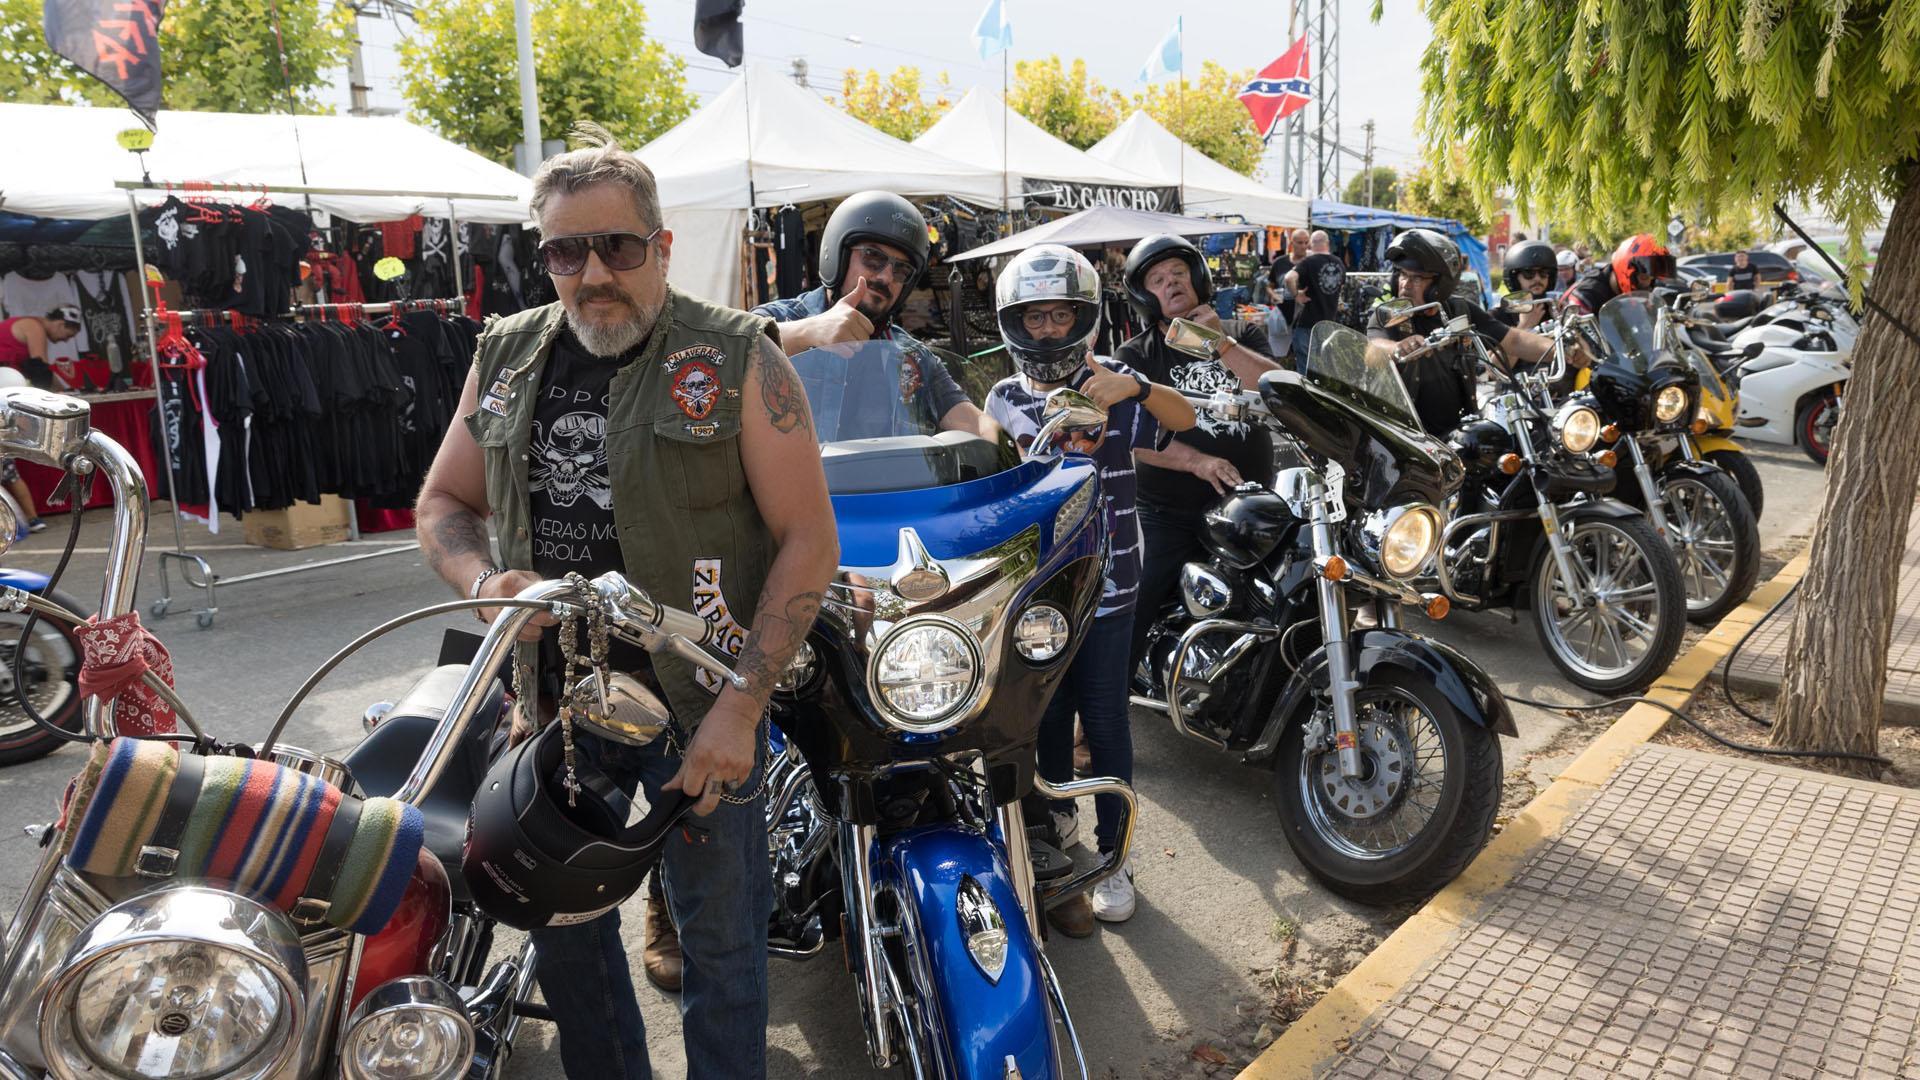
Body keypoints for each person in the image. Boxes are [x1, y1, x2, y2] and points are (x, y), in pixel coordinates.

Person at [413, 124, 838, 1080]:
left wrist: (741, 708)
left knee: (722, 946)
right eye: (567, 250)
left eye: (618, 246)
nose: (594, 272)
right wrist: (486, 584)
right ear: (545, 256)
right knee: (564, 935)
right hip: (555, 708)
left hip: (701, 706)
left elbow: (809, 540)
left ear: (662, 246)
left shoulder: (740, 358)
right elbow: (443, 502)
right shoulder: (509, 353)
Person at [982, 244, 1195, 934]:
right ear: (1014, 323)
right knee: (1041, 718)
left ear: (1085, 317)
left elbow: (1184, 419)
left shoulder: (1114, 380)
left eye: (1061, 314)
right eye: (1034, 316)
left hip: (1109, 581)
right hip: (1036, 593)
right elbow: (982, 479)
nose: (1048, 329)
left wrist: (1131, 387)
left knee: (1104, 720)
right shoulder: (1004, 396)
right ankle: (1060, 838)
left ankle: (1116, 852)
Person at [1114, 234, 1282, 682]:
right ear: (1145, 295)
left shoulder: (1242, 333)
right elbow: (1130, 436)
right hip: (1170, 512)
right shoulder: (1136, 355)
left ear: (1199, 279)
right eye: (1157, 279)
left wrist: (1220, 343)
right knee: (1131, 600)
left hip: (1250, 505)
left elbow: (1281, 389)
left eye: (1178, 275)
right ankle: (1092, 721)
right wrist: (1196, 462)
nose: (1170, 284)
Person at [754, 191, 996, 440]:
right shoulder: (783, 318)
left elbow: (973, 421)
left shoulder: (911, 356)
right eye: (872, 257)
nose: (886, 277)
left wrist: (1017, 453)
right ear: (838, 254)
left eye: (901, 269)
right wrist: (809, 331)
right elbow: (729, 349)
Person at [1367, 228, 1577, 438]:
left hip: (1457, 432)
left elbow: (1513, 339)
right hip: (1407, 435)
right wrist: (1396, 348)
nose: (1405, 284)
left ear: (1440, 284)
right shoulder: (1389, 314)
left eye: (1418, 278)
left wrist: (1564, 352)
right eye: (1402, 275)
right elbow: (1373, 349)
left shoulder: (1459, 310)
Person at [0, 307, 77, 534]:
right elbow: (38, 367)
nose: (64, 340)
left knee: (9, 469)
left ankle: (29, 519)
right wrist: (51, 398)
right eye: (68, 334)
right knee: (8, 468)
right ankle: (29, 519)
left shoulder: (22, 324)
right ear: (60, 324)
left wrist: (64, 389)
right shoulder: (34, 326)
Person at [1560, 234, 1677, 315]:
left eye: (1652, 279)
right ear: (1625, 270)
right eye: (1644, 277)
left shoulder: (1635, 297)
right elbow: (1577, 344)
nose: (1648, 283)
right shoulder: (1587, 295)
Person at [1283, 230, 1345, 367]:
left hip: (1308, 325)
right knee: (1323, 371)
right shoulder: (1339, 263)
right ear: (1327, 243)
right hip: (1328, 326)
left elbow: (1289, 278)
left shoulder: (1309, 262)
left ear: (1311, 244)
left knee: (1306, 373)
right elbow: (1340, 289)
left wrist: (1296, 295)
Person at [1495, 240, 1559, 331]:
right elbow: (1492, 345)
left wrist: (1564, 321)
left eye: (1543, 273)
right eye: (1528, 273)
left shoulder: (1555, 309)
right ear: (1514, 278)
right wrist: (1524, 326)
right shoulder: (1498, 317)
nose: (1537, 278)